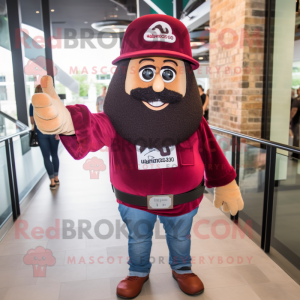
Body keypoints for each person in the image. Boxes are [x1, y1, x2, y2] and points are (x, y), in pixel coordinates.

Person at [31, 15, 244, 299]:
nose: (157, 86)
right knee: (139, 237)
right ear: (125, 73)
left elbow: (211, 150)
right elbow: (94, 129)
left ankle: (182, 268)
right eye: (146, 73)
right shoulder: (117, 120)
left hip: (183, 198)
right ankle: (138, 272)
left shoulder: (193, 122)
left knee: (180, 237)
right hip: (134, 198)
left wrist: (224, 182)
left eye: (168, 74)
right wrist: (67, 120)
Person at [29, 85, 60, 189]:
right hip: (54, 131)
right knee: (54, 155)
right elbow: (58, 117)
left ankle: (52, 182)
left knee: (46, 157)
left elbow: (32, 121)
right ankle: (56, 177)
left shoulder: (33, 104)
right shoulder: (52, 102)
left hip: (41, 133)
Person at [290, 87, 300, 159]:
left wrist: (289, 120)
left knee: (296, 138)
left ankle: (295, 154)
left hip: (297, 123)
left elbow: (294, 111)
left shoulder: (297, 100)